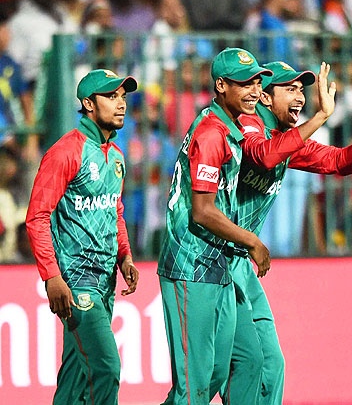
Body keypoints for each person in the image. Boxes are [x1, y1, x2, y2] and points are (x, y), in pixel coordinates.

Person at [222, 60, 352, 405]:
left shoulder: (286, 138)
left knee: (272, 364)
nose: (300, 97)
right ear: (263, 96)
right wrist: (320, 117)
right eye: (289, 89)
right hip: (210, 260)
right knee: (230, 368)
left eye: (301, 90)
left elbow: (339, 161)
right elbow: (264, 157)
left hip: (240, 265)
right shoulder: (247, 124)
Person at [157, 47, 272, 405]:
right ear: (220, 85)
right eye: (244, 83)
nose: (254, 90)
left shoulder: (230, 129)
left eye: (257, 81)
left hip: (215, 264)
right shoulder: (211, 134)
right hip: (190, 265)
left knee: (224, 370)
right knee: (195, 386)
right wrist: (251, 240)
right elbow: (202, 211)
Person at [25, 68, 140, 405]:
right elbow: (37, 217)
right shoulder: (65, 151)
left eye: (122, 96)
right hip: (76, 283)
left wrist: (125, 256)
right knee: (106, 366)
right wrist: (52, 278)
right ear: (88, 103)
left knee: (77, 377)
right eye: (111, 96)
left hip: (104, 280)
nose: (121, 104)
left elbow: (113, 210)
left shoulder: (116, 157)